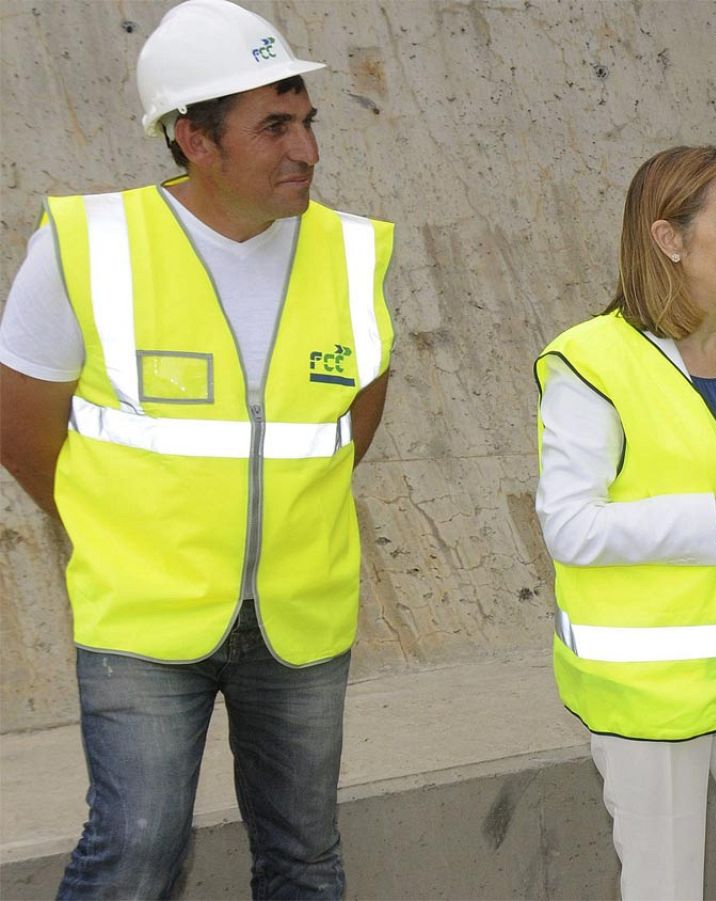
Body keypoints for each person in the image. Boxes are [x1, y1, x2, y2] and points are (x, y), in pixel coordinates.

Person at [0, 0, 395, 897]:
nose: (307, 151)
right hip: (143, 622)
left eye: (306, 121)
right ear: (193, 138)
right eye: (274, 126)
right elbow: (21, 424)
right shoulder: (85, 246)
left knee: (305, 858)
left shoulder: (352, 253)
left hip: (302, 614)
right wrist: (106, 525)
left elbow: (350, 422)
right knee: (135, 852)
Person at [534, 146, 716, 900]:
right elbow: (569, 526)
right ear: (668, 238)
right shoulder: (590, 363)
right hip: (646, 688)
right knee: (664, 886)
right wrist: (712, 520)